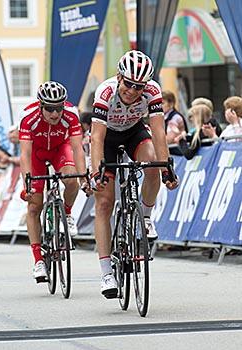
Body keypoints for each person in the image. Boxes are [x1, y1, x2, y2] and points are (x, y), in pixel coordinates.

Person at [90, 50, 179, 298]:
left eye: (138, 86)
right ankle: (107, 273)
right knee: (104, 203)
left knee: (152, 162)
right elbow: (96, 137)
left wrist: (166, 168)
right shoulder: (105, 92)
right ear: (119, 77)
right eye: (128, 84)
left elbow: (159, 133)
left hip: (133, 132)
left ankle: (146, 216)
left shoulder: (153, 91)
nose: (132, 90)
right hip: (107, 138)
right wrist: (96, 170)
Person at [19, 81, 90, 283]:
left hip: (60, 149)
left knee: (71, 178)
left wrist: (83, 175)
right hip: (36, 155)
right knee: (35, 206)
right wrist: (28, 184)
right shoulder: (28, 117)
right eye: (49, 108)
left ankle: (66, 213)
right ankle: (38, 260)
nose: (55, 113)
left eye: (58, 107)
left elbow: (77, 149)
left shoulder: (71, 114)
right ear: (40, 105)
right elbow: (24, 154)